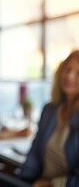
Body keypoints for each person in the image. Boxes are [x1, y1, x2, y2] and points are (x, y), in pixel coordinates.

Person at [19, 50, 79, 187]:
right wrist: (24, 180)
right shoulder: (49, 110)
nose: (69, 76)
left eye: (78, 73)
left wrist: (49, 183)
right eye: (67, 69)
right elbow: (34, 152)